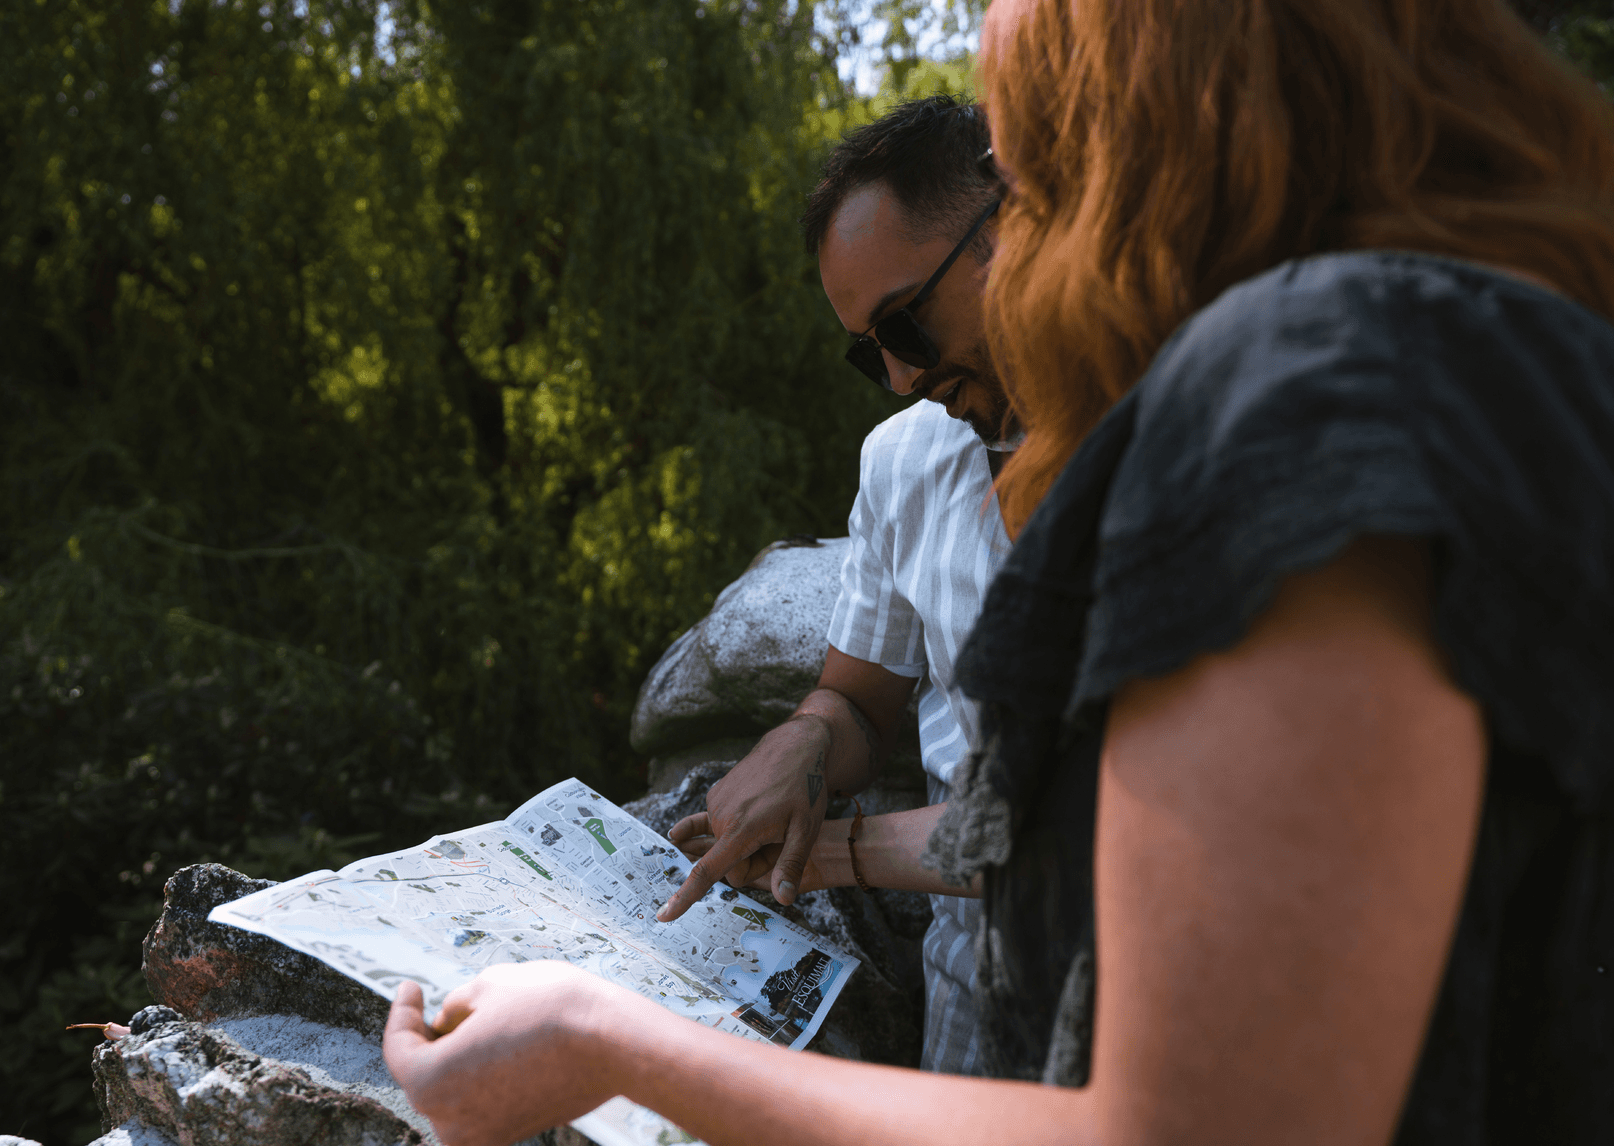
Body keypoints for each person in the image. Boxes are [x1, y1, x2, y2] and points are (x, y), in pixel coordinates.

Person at [382, 2, 1614, 1143]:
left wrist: (606, 1044)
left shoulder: (1293, 402)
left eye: (1033, 172)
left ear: (1148, 144)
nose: (1035, 231)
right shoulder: (1507, 358)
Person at [655, 94, 1015, 1077]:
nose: (900, 377)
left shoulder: (1190, 431)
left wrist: (835, 858)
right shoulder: (905, 462)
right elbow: (856, 699)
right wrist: (803, 741)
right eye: (869, 351)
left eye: (906, 323)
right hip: (975, 982)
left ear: (1013, 224)